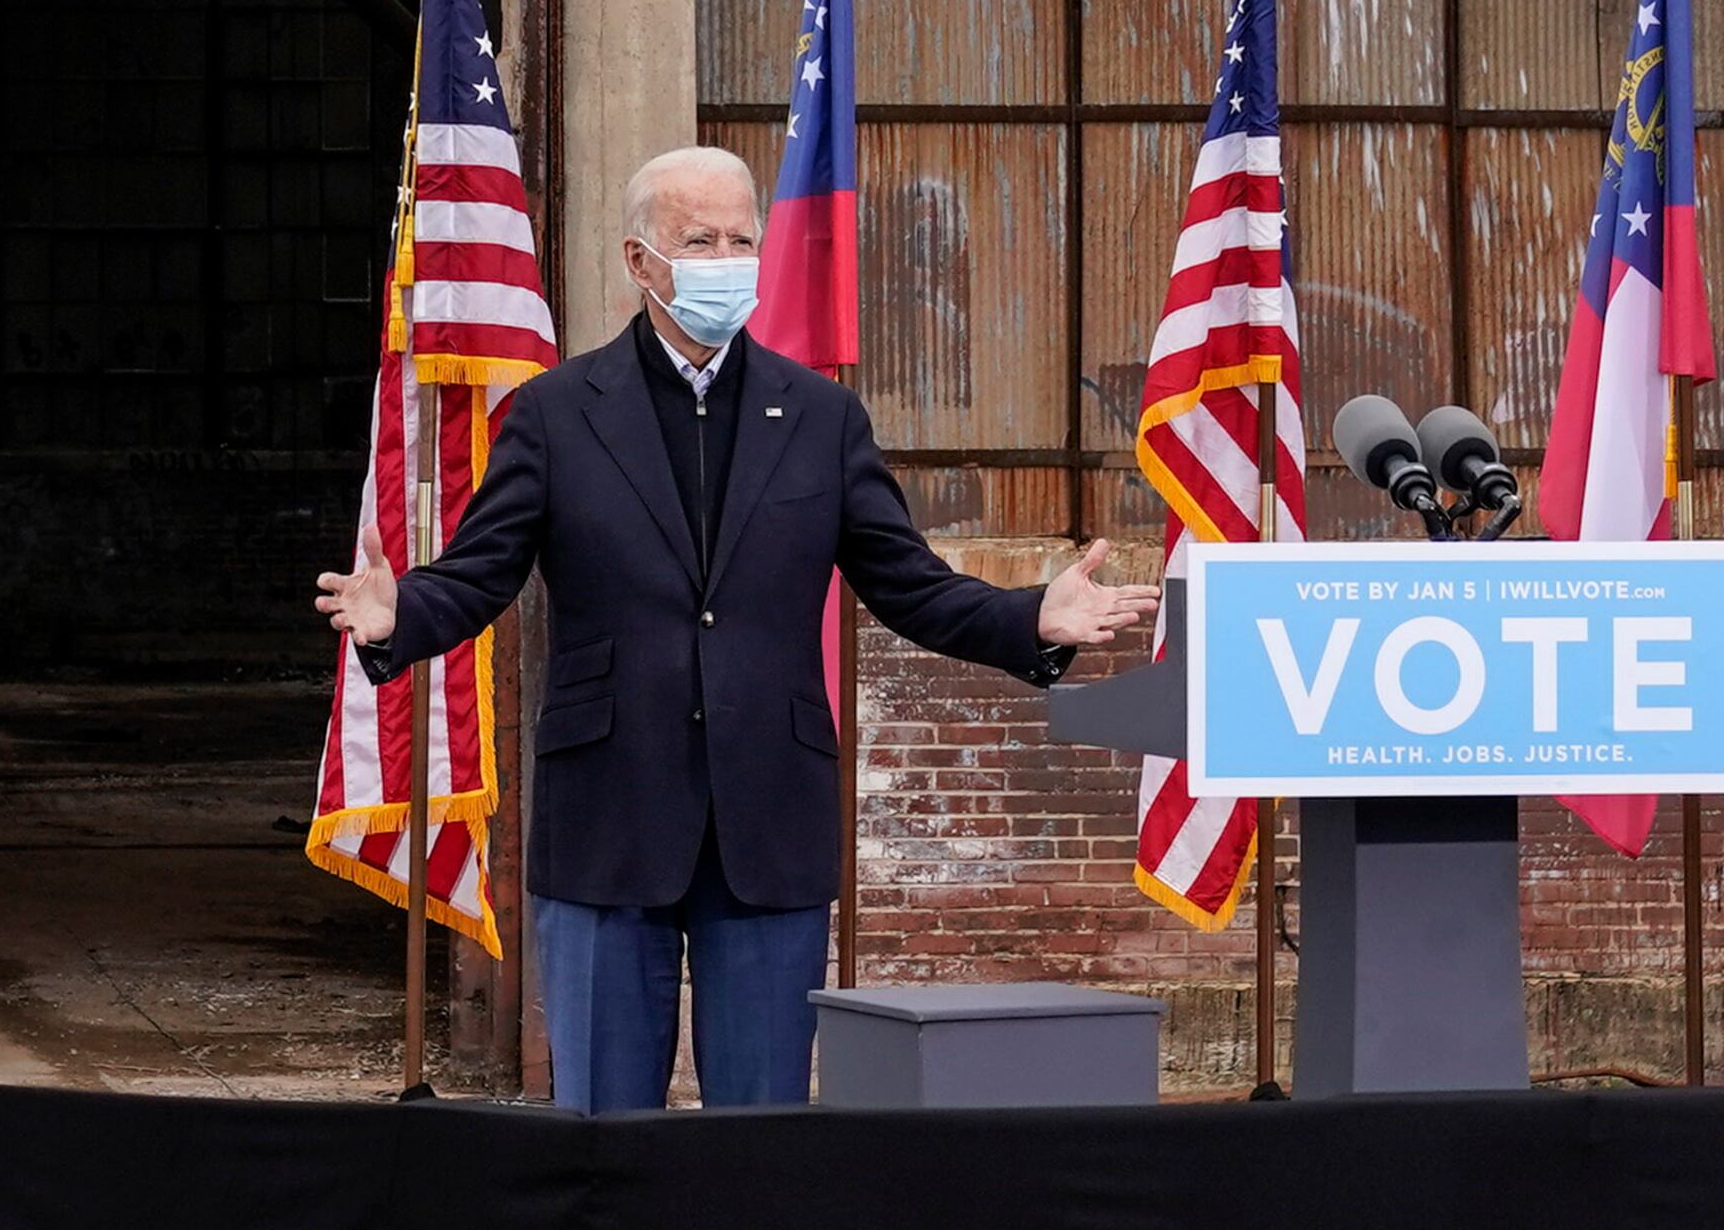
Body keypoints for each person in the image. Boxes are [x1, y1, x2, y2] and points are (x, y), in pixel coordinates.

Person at [316, 146, 1160, 1110]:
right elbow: (482, 572)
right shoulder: (555, 413)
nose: (726, 259)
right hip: (609, 809)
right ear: (641, 262)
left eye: (740, 240)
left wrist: (1031, 617)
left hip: (769, 810)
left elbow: (909, 585)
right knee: (603, 1128)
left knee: (759, 1132)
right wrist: (400, 613)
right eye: (698, 241)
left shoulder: (821, 416)